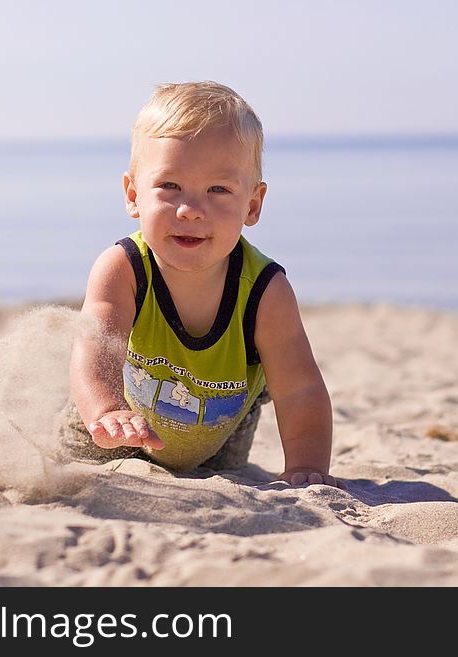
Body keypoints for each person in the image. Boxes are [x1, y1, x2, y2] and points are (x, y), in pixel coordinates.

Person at [65, 80, 343, 488]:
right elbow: (94, 347)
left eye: (218, 190)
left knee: (228, 471)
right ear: (133, 194)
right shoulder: (123, 268)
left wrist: (308, 467)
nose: (191, 210)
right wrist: (106, 408)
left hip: (222, 433)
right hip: (118, 420)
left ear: (253, 205)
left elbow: (299, 389)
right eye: (170, 186)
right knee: (74, 460)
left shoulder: (265, 291)